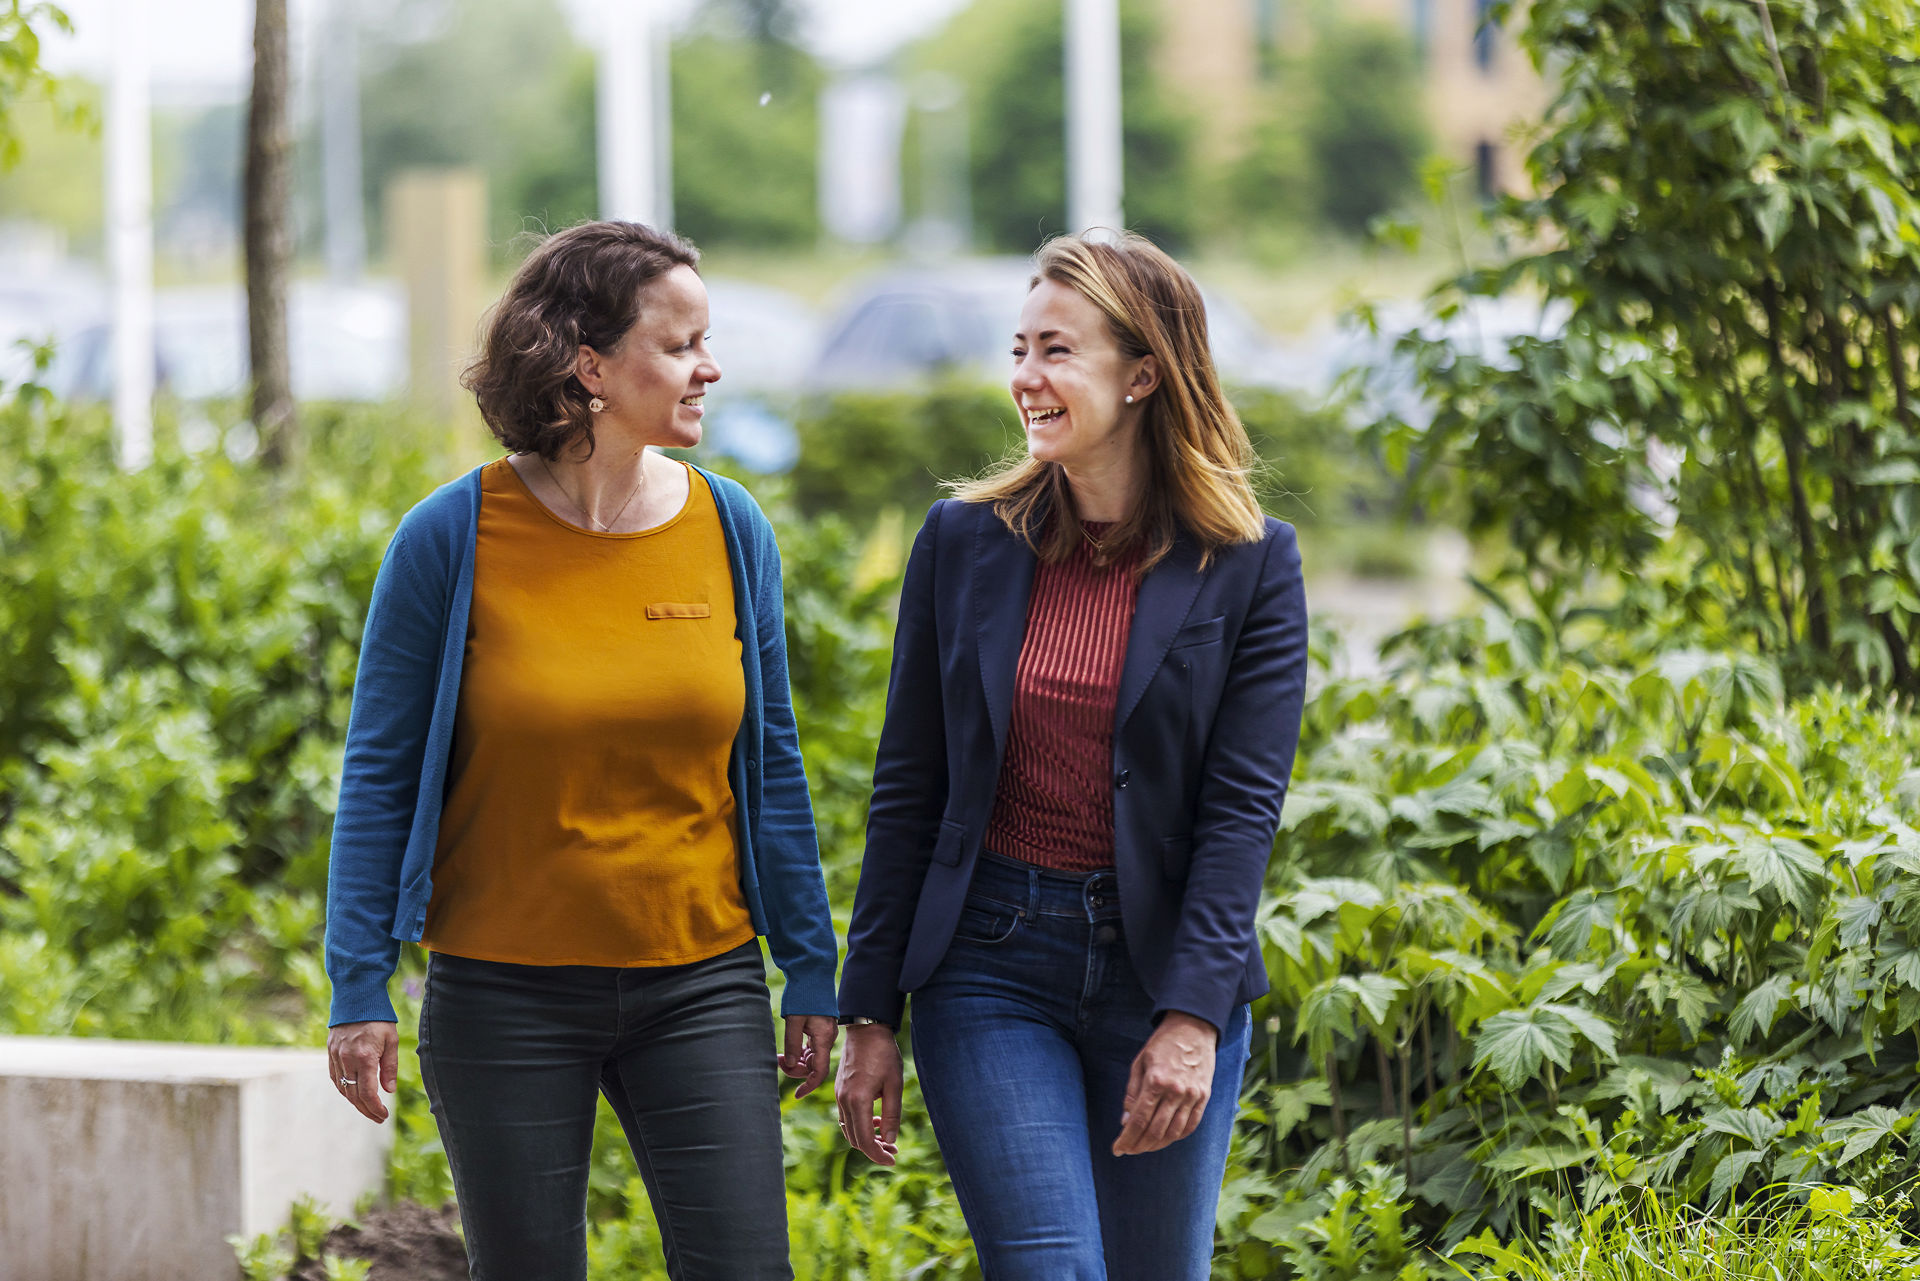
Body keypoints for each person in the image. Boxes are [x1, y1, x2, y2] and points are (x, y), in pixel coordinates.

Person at [322, 220, 838, 1281]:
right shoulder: (451, 539)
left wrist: (814, 969)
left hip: (700, 980)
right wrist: (357, 983)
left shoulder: (732, 529)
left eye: (709, 339)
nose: (711, 366)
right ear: (590, 366)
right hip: (504, 991)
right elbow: (377, 774)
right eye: (681, 343)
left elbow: (771, 761)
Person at [833, 231, 1309, 1280]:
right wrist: (867, 1008)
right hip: (989, 964)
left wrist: (1191, 1016)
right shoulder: (962, 542)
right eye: (1019, 349)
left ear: (1144, 374)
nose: (1024, 379)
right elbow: (907, 785)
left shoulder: (1251, 566)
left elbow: (1242, 813)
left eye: (1056, 351)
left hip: (1163, 971)